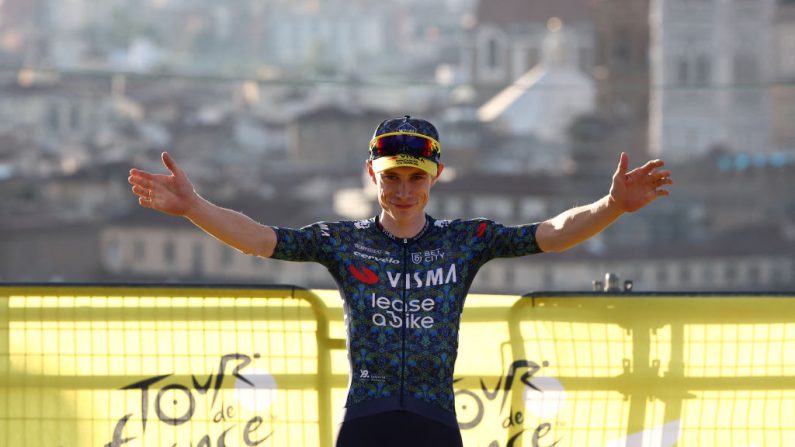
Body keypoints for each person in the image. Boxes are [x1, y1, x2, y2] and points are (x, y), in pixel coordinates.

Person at [128, 115, 672, 447]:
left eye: (416, 178)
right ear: (373, 177)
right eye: (392, 178)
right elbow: (261, 239)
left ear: (435, 178)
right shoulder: (344, 243)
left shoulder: (465, 240)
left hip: (436, 421)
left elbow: (549, 234)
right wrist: (194, 206)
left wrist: (612, 205)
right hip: (367, 419)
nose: (404, 191)